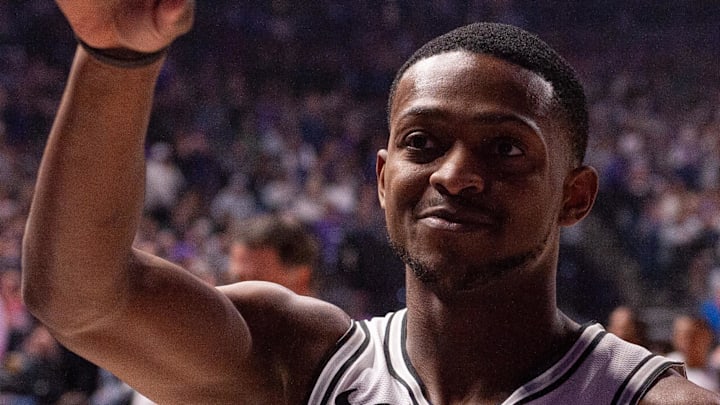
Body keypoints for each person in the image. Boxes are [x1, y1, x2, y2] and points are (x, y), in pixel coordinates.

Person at [20, 2, 720, 404]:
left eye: (505, 148)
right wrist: (114, 58)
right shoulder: (297, 361)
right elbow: (84, 300)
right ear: (383, 177)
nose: (456, 173)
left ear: (576, 195)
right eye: (423, 141)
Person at [224, 214, 319, 297]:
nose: (243, 293)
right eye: (237, 282)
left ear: (301, 280)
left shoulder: (330, 317)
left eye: (257, 284)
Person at [666, 315, 720, 393]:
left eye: (691, 335)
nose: (686, 342)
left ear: (707, 336)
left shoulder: (716, 369)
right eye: (680, 336)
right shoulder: (665, 368)